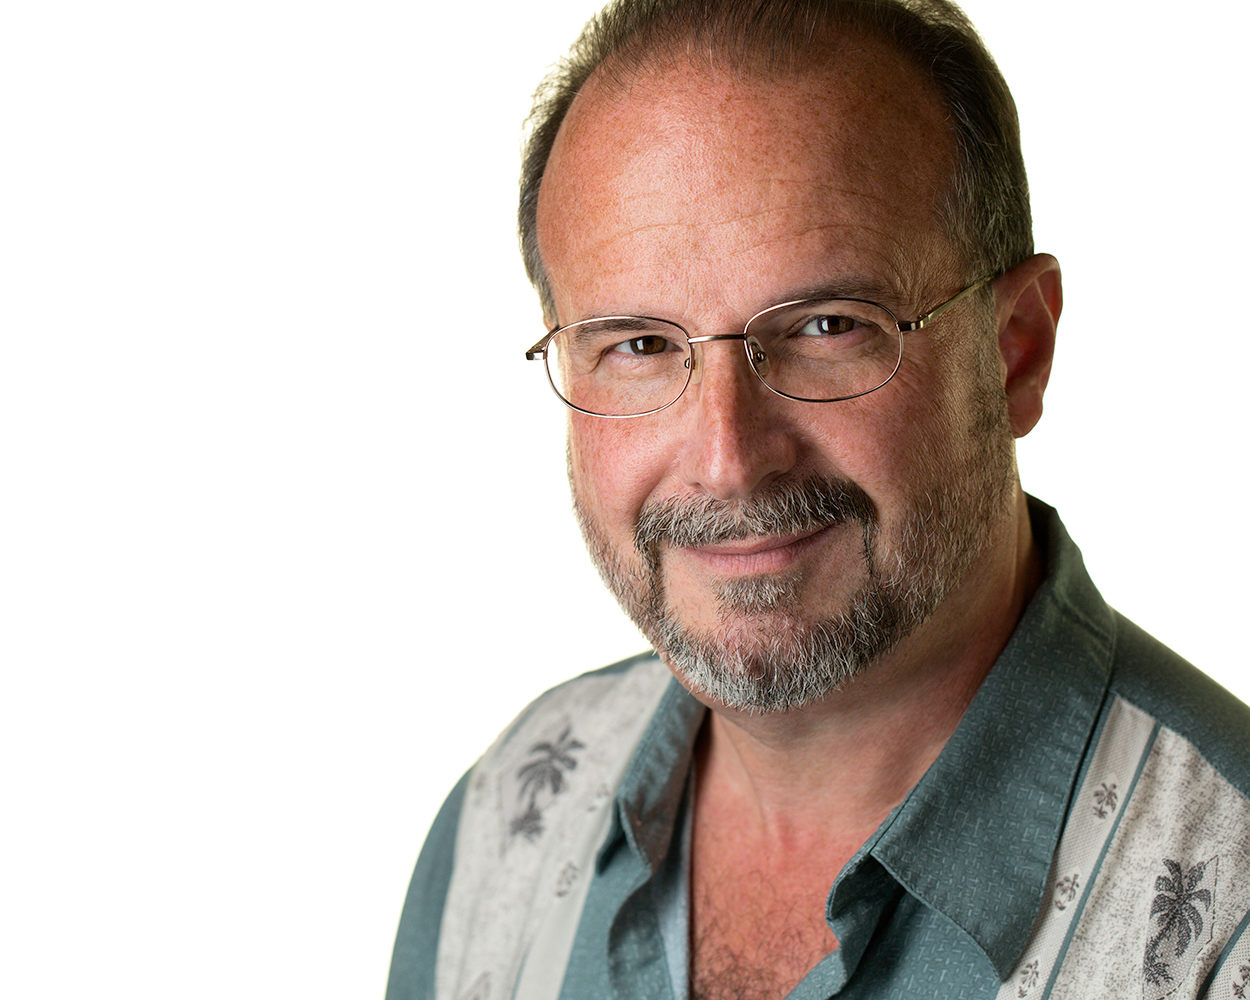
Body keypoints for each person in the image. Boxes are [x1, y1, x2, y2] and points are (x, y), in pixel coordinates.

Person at [387, 1, 1250, 997]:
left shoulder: (1224, 930)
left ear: (1015, 351)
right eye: (639, 344)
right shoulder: (503, 824)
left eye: (827, 326)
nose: (729, 460)